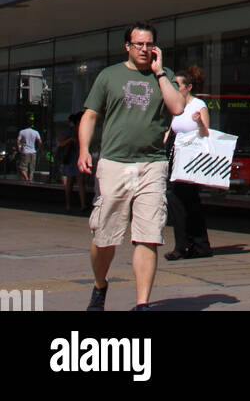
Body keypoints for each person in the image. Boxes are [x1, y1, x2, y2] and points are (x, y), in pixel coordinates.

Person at [78, 21, 183, 312]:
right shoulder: (109, 76)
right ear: (128, 46)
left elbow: (177, 108)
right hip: (114, 163)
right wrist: (84, 150)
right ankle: (100, 286)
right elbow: (90, 115)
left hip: (152, 164)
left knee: (148, 235)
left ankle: (142, 304)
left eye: (149, 44)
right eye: (139, 44)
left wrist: (160, 73)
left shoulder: (165, 75)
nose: (145, 49)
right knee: (105, 236)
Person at [164, 66, 213, 260]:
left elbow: (206, 133)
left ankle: (194, 245)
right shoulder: (175, 106)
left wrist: (199, 122)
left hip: (192, 159)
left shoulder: (198, 105)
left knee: (188, 201)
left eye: (178, 84)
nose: (175, 87)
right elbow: (170, 131)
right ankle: (188, 244)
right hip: (176, 157)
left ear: (189, 87)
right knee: (177, 200)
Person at [57, 112, 87, 211]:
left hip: (76, 158)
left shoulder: (80, 131)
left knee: (76, 182)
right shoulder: (73, 132)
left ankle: (75, 205)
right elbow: (60, 142)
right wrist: (70, 140)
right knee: (75, 182)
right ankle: (75, 204)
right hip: (72, 158)